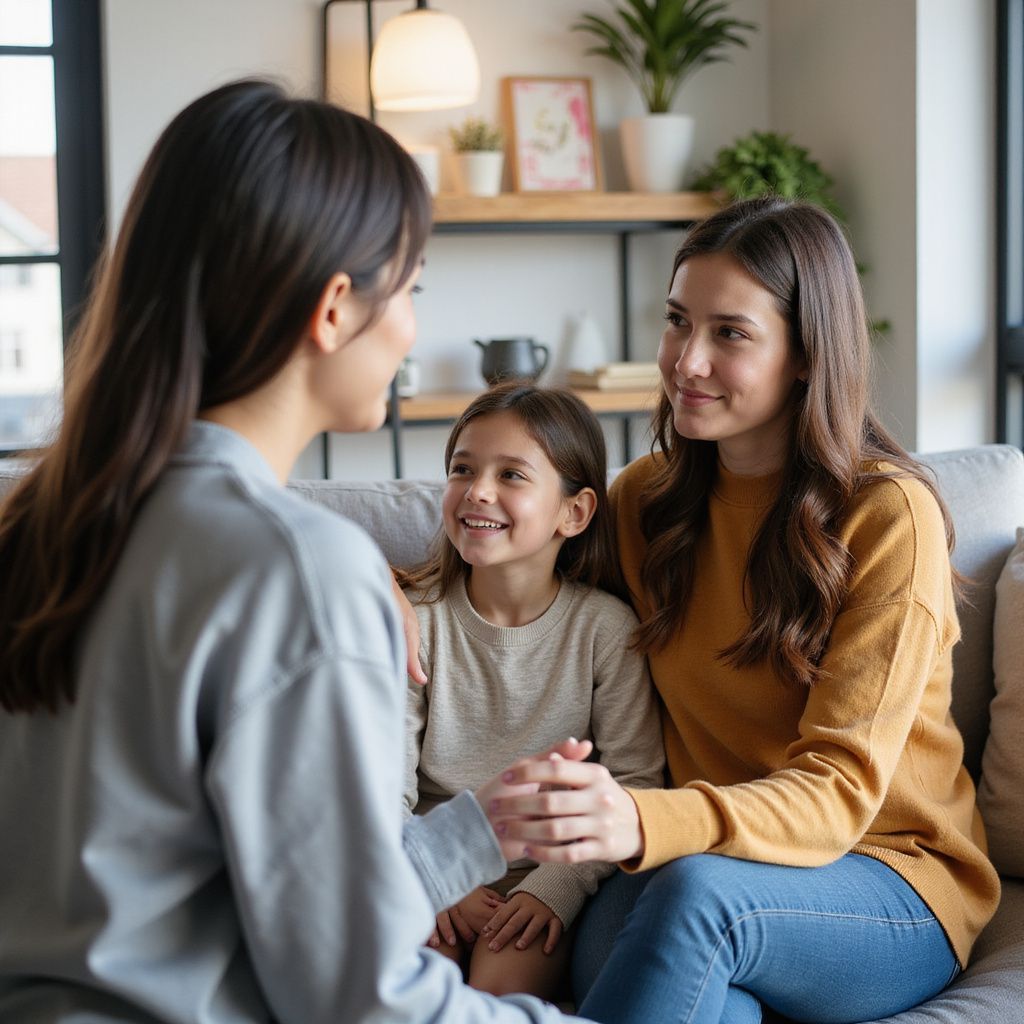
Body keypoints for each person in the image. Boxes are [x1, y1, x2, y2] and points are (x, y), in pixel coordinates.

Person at [0, 79, 590, 1023]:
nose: (412, 328)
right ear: (333, 309)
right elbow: (356, 1000)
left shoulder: (39, 528)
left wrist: (471, 834)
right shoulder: (296, 570)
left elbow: (223, 899)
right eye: (413, 287)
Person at [480, 197, 1002, 1023]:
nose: (686, 362)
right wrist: (384, 600)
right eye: (678, 321)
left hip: (888, 878)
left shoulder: (888, 515)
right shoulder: (643, 501)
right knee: (676, 971)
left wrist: (642, 819)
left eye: (730, 333)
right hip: (699, 861)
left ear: (804, 354)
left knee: (695, 905)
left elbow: (836, 794)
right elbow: (508, 572)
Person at [399, 383, 664, 1002]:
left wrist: (557, 889)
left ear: (573, 512)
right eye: (462, 468)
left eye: (511, 474)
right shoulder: (418, 623)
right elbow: (383, 785)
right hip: (432, 864)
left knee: (500, 989)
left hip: (544, 882)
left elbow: (638, 784)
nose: (477, 490)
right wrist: (436, 874)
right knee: (407, 989)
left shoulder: (606, 631)